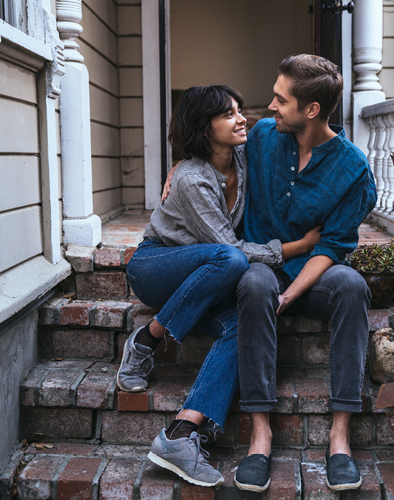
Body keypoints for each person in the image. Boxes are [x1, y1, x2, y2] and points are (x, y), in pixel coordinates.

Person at [117, 84, 321, 488]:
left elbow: (299, 127)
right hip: (157, 266)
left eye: (239, 109)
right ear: (203, 127)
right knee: (231, 258)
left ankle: (182, 432)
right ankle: (148, 338)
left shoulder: (243, 155)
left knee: (244, 323)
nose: (241, 118)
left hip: (206, 278)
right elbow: (229, 248)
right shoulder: (193, 179)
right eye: (228, 114)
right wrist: (297, 247)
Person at [233, 54, 377, 493]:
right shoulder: (261, 137)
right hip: (263, 263)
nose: (270, 107)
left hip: (312, 275)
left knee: (352, 285)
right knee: (254, 282)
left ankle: (339, 437)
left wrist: (292, 293)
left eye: (280, 100)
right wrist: (178, 168)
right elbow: (215, 156)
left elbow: (333, 246)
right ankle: (261, 434)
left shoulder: (353, 169)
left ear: (311, 110)